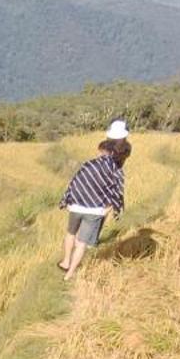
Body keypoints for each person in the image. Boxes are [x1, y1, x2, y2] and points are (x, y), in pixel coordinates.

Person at [59, 120, 130, 280]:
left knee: (71, 233)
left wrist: (68, 200)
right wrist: (113, 207)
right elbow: (116, 189)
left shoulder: (89, 164)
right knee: (82, 243)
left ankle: (65, 262)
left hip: (77, 205)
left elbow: (76, 181)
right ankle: (70, 274)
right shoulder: (119, 163)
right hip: (95, 210)